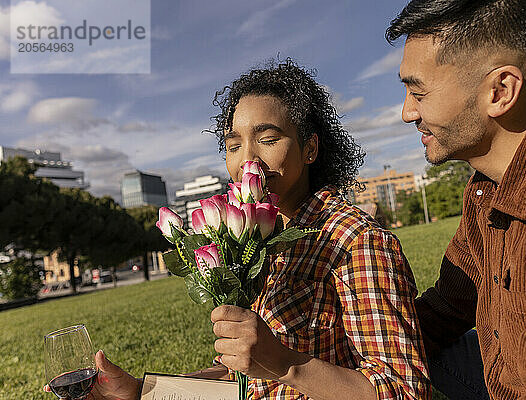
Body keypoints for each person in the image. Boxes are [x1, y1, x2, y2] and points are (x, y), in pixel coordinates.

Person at [47, 60, 430, 400]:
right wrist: (140, 392)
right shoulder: (248, 241)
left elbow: (404, 390)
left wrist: (286, 364)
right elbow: (246, 374)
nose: (248, 159)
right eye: (233, 146)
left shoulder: (355, 241)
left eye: (267, 139)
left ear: (310, 148)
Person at [385, 1, 526, 399]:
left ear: (499, 91)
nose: (406, 112)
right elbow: (447, 308)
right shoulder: (485, 189)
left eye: (418, 91)